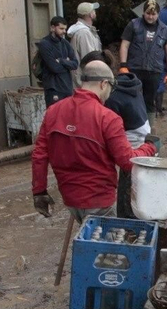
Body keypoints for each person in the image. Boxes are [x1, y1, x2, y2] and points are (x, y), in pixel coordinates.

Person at [31, 62, 158, 222]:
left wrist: (39, 192)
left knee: (87, 240)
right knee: (103, 245)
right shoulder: (107, 118)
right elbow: (127, 161)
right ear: (104, 84)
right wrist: (149, 147)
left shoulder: (53, 112)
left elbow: (39, 156)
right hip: (100, 200)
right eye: (111, 87)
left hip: (71, 200)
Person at [103, 62, 152, 217]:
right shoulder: (133, 85)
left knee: (127, 187)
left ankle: (127, 220)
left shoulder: (112, 99)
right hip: (145, 133)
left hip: (133, 143)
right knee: (139, 187)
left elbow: (108, 131)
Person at [118, 0, 167, 119]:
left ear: (158, 14)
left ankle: (149, 130)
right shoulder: (133, 24)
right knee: (132, 98)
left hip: (154, 71)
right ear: (143, 13)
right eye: (148, 13)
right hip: (134, 69)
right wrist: (123, 65)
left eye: (153, 14)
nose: (150, 17)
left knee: (150, 102)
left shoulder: (164, 29)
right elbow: (124, 45)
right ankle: (132, 127)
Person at [36, 16, 80, 107]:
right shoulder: (44, 44)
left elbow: (75, 64)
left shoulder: (65, 43)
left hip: (67, 88)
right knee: (55, 118)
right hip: (53, 89)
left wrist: (61, 61)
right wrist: (67, 63)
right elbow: (54, 68)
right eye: (61, 28)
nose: (64, 31)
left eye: (65, 29)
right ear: (52, 28)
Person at [68, 1, 101, 69]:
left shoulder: (84, 30)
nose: (95, 12)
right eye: (93, 11)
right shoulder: (84, 33)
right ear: (90, 15)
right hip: (86, 76)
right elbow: (89, 58)